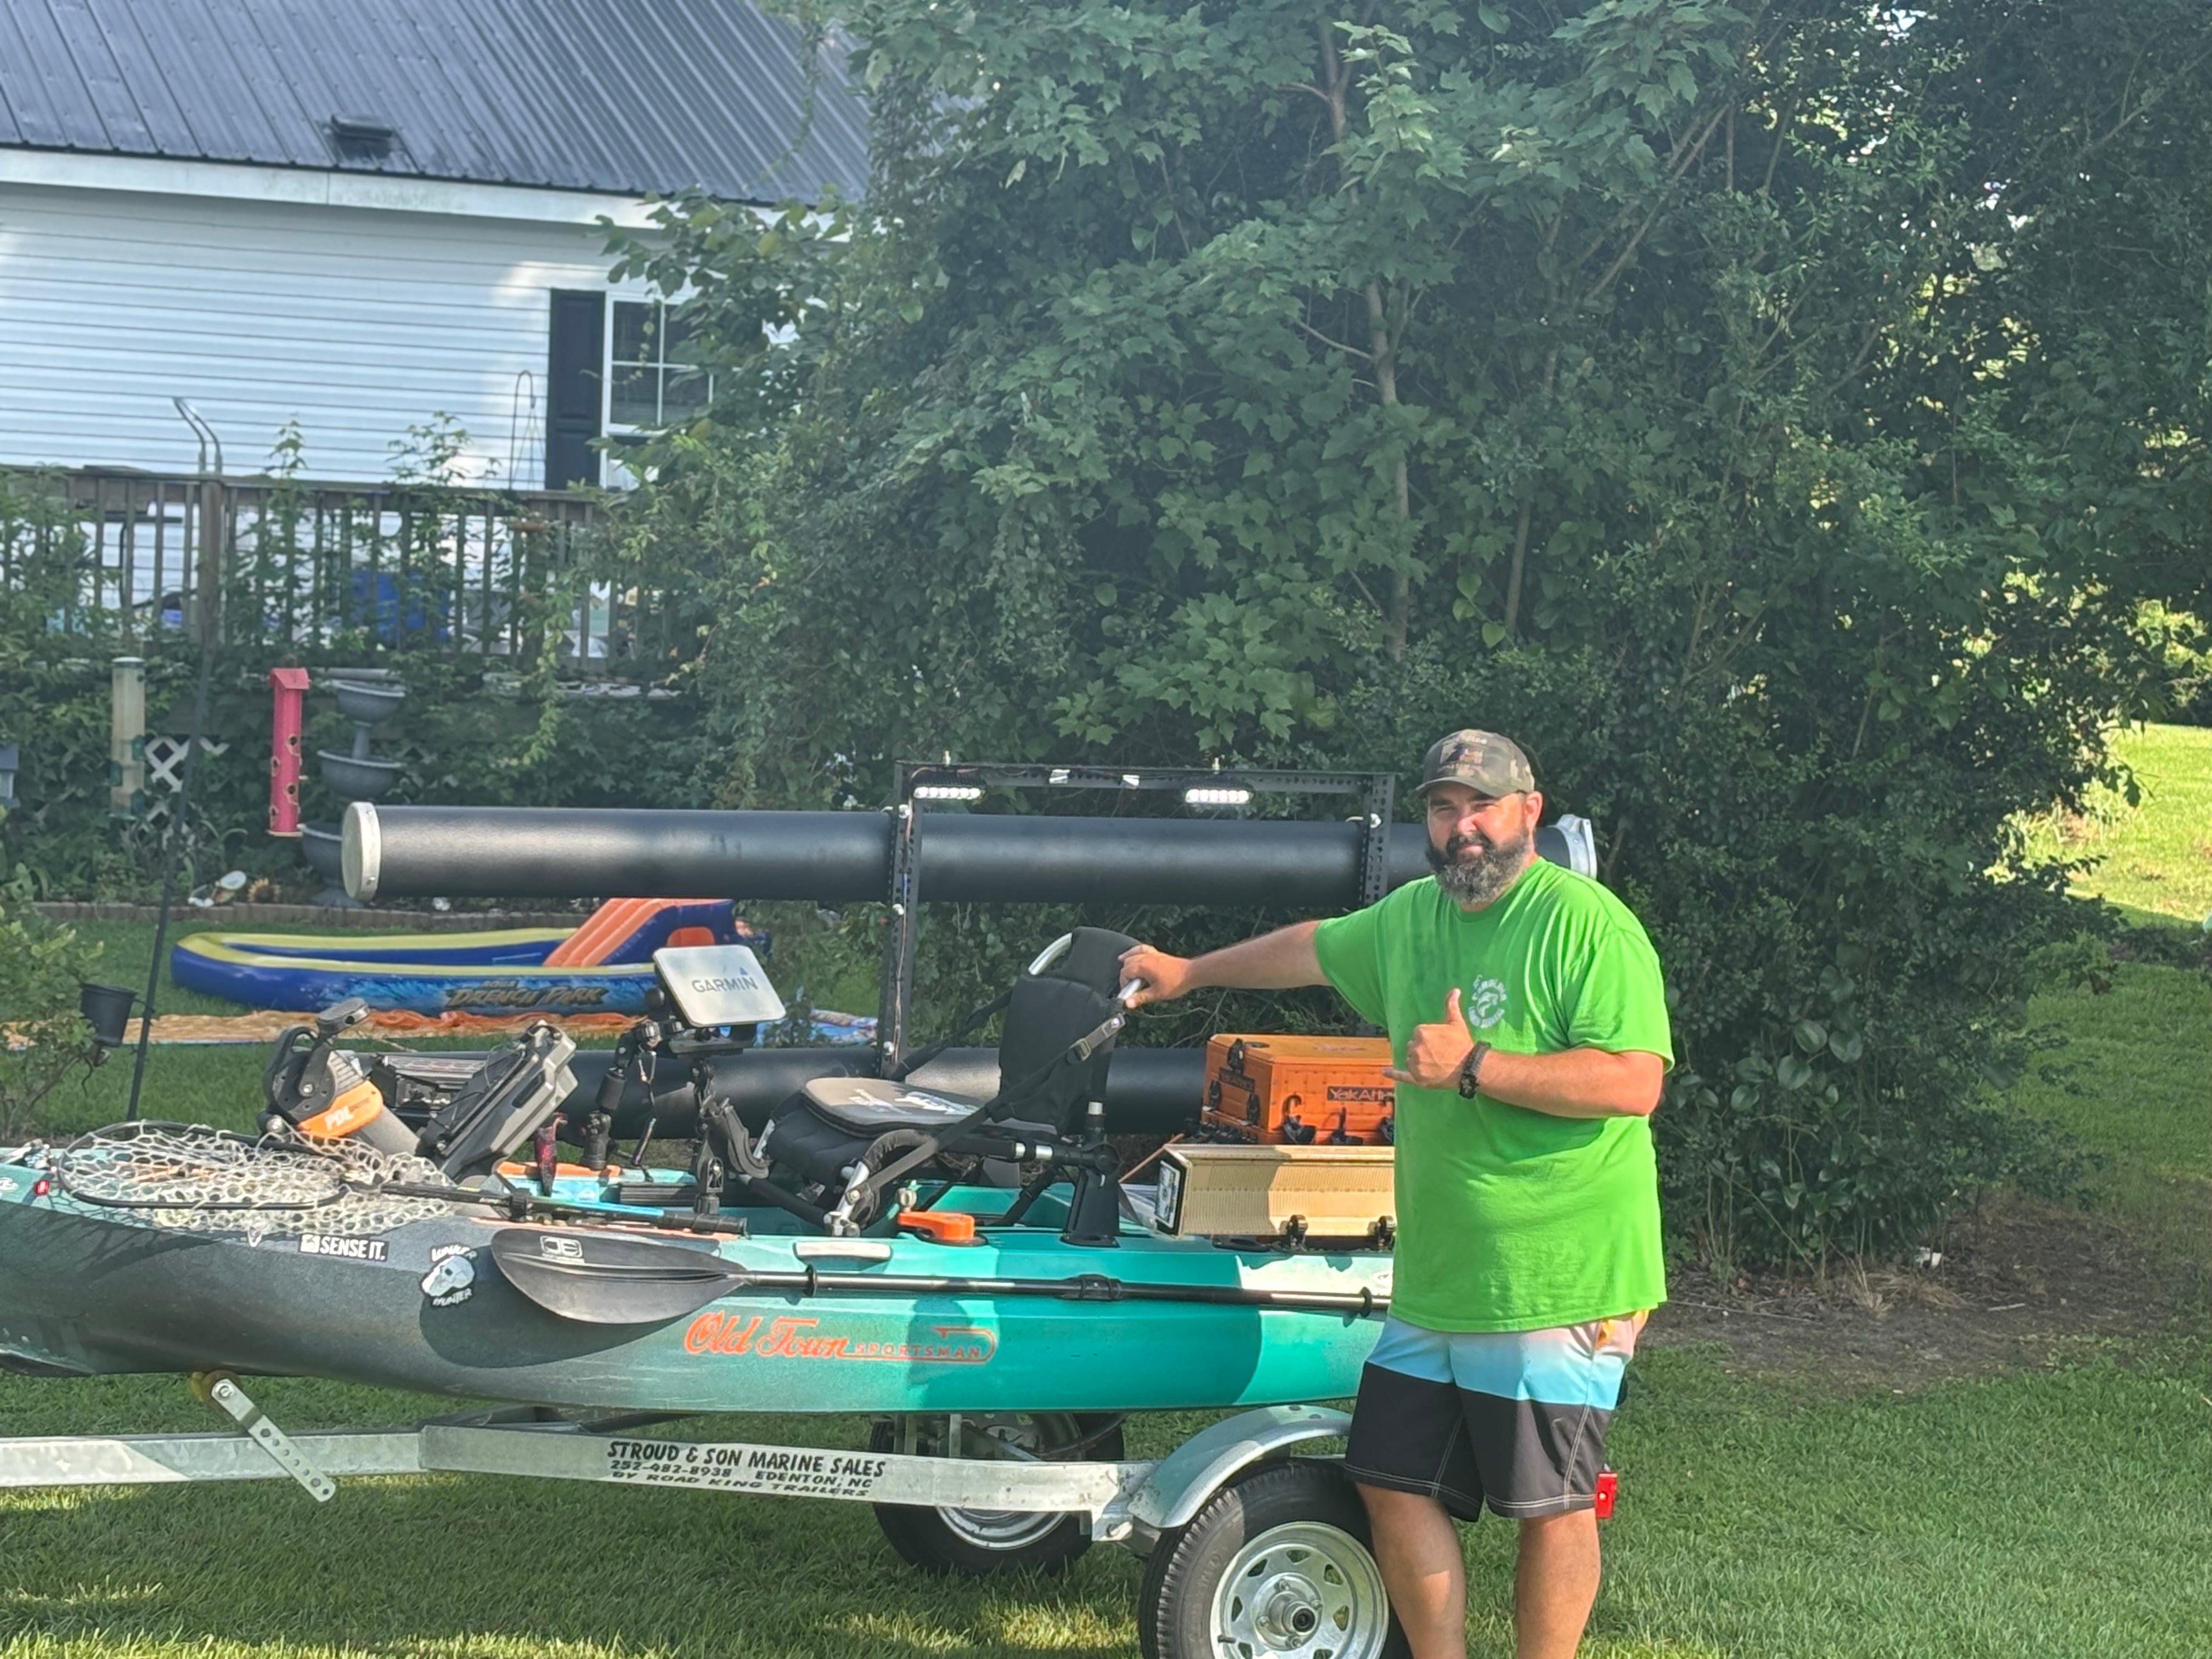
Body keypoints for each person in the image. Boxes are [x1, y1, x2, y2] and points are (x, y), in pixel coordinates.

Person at [1119, 730, 1671, 1659]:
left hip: (1558, 1274)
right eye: (1444, 809)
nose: (1463, 828)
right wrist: (1189, 972)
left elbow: (1634, 1081)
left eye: (1482, 806)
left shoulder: (1585, 924)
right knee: (1389, 1480)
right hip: (1438, 1278)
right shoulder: (1412, 916)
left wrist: (1476, 1064)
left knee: (1551, 1505)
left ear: (1530, 811)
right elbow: (1311, 947)